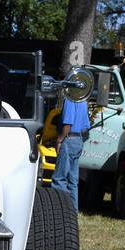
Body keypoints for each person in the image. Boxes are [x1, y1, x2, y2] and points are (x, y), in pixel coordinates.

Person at [51, 78, 91, 212]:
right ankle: (73, 211)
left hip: (69, 139)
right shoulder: (83, 101)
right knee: (73, 180)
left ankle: (60, 211)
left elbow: (68, 123)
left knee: (59, 178)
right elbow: (86, 127)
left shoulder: (69, 100)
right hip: (79, 139)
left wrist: (59, 140)